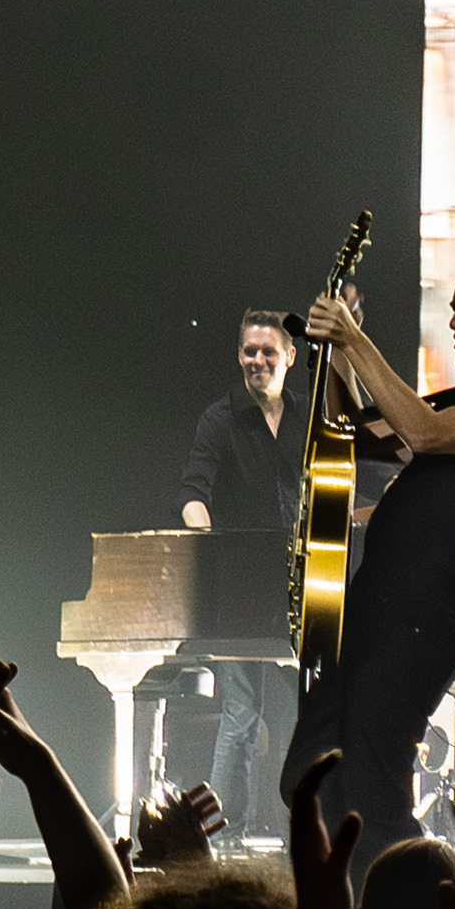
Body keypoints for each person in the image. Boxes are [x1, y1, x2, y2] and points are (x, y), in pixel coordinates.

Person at [281, 256, 455, 851]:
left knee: (371, 793)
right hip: (372, 611)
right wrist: (336, 353)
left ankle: (417, 901)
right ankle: (352, 902)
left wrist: (353, 338)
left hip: (418, 620)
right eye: (454, 307)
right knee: (311, 778)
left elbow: (420, 433)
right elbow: (353, 432)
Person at [181, 309, 311, 835]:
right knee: (242, 711)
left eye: (267, 351)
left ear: (289, 357)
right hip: (240, 587)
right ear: (239, 355)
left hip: (302, 583)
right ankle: (222, 833)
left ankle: (302, 827)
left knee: (308, 711)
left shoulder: (307, 415)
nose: (257, 360)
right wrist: (211, 546)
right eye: (249, 351)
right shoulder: (220, 418)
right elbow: (193, 491)